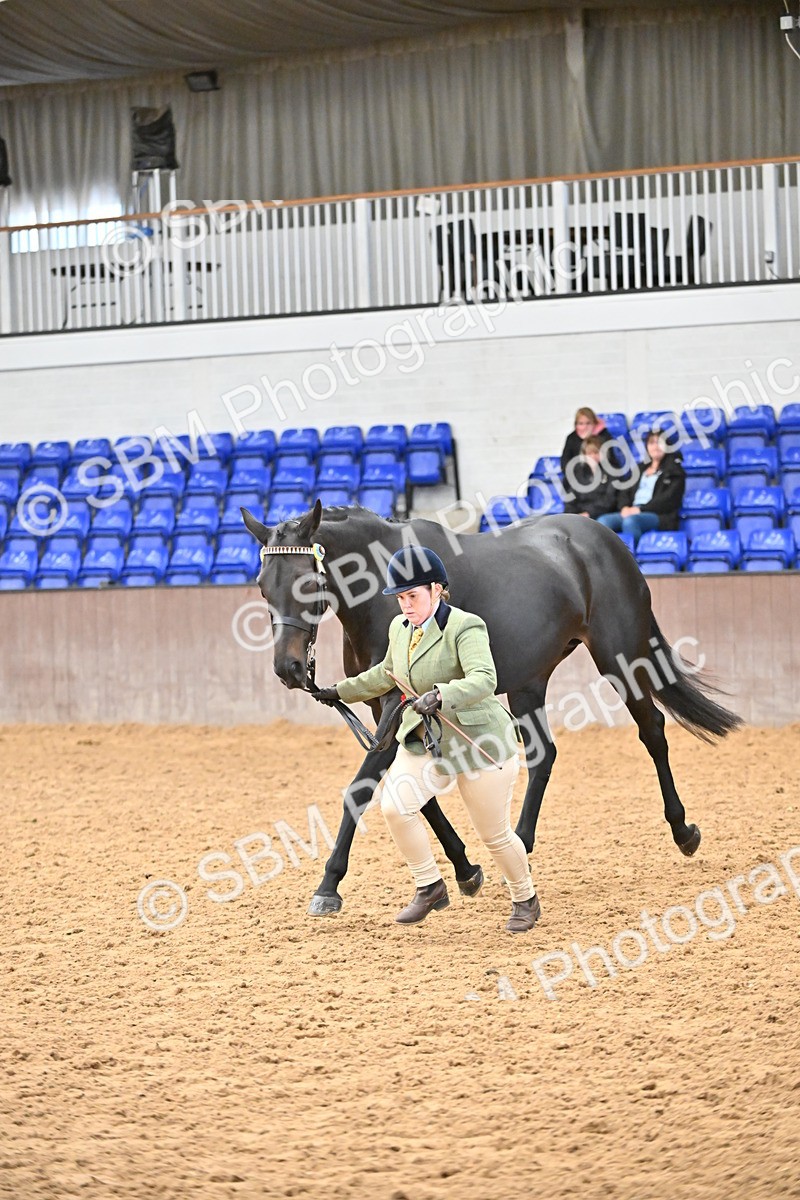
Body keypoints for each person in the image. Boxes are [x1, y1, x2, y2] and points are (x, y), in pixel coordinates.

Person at [311, 546, 540, 934]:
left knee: (494, 836)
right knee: (395, 807)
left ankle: (525, 898)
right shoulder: (399, 629)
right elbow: (386, 673)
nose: (406, 605)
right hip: (427, 741)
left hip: (478, 742)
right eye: (400, 598)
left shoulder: (466, 626)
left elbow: (484, 679)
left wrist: (440, 694)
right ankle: (430, 885)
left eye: (412, 596)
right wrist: (340, 691)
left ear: (437, 589)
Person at [597, 430, 686, 544]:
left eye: (660, 443)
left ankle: (631, 555)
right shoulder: (639, 469)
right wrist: (624, 507)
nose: (655, 447)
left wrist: (640, 509)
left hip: (658, 515)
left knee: (630, 522)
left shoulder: (675, 471)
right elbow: (624, 491)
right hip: (632, 511)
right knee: (603, 522)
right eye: (651, 443)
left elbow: (668, 499)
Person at [563, 435, 619, 518]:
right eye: (589, 454)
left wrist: (589, 513)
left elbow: (609, 500)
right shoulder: (579, 473)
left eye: (596, 453)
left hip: (602, 515)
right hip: (581, 515)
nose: (593, 457)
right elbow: (571, 499)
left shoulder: (612, 472)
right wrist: (571, 515)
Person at [560, 406, 617, 479]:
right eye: (581, 423)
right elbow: (565, 463)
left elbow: (610, 459)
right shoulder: (571, 438)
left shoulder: (604, 436)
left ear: (594, 423)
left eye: (588, 423)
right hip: (579, 476)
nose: (584, 427)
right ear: (576, 425)